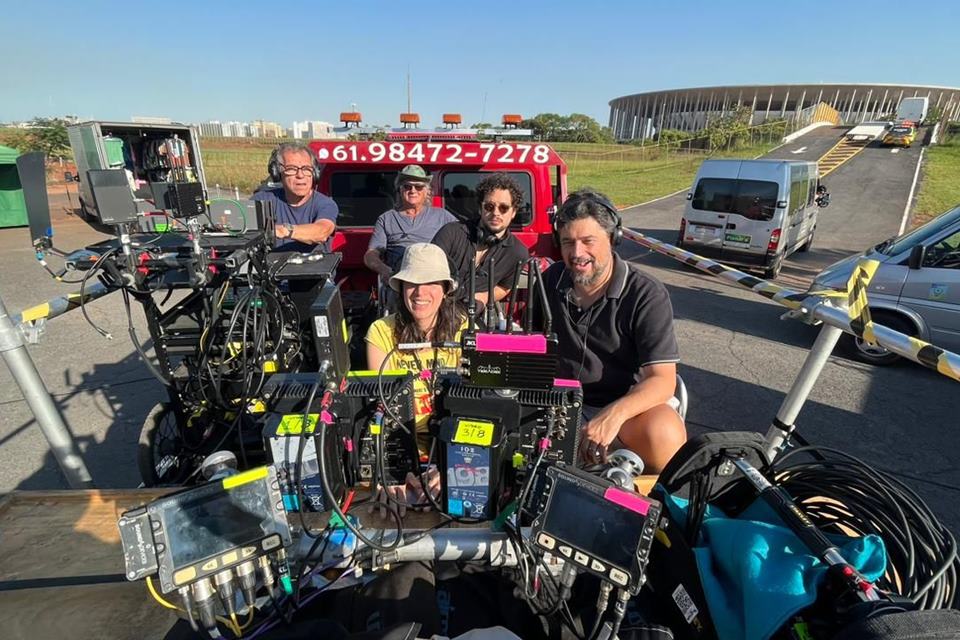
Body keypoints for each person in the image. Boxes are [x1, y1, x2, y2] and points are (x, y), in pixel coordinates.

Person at [542, 189, 686, 472]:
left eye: (588, 241)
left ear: (613, 239)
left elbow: (662, 380)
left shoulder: (646, 294)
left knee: (664, 432)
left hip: (624, 413)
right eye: (568, 242)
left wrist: (613, 416)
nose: (577, 253)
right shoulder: (549, 280)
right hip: (557, 406)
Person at [365, 243, 468, 511]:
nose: (420, 292)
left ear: (446, 290)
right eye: (412, 283)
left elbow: (474, 412)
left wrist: (451, 468)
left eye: (430, 282)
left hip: (448, 450)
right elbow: (382, 409)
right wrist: (390, 474)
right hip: (402, 451)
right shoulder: (380, 332)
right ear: (401, 289)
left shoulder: (465, 331)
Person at [432, 173, 530, 306]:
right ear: (480, 208)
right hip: (436, 309)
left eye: (503, 208)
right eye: (489, 206)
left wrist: (483, 298)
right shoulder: (451, 233)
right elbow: (427, 270)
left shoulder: (518, 252)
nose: (496, 213)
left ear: (513, 212)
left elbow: (504, 287)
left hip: (471, 318)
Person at [364, 165, 457, 283]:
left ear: (426, 191)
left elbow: (461, 241)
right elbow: (370, 255)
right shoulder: (386, 219)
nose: (413, 190)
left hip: (434, 277)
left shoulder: (443, 216)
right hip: (399, 278)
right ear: (400, 190)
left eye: (418, 187)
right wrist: (385, 270)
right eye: (407, 186)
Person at [253, 142, 339, 252]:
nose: (300, 175)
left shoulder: (325, 203)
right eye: (292, 169)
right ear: (277, 173)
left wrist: (283, 230)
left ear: (315, 174)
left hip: (313, 268)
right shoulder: (261, 200)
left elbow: (322, 232)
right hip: (271, 267)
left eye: (307, 169)